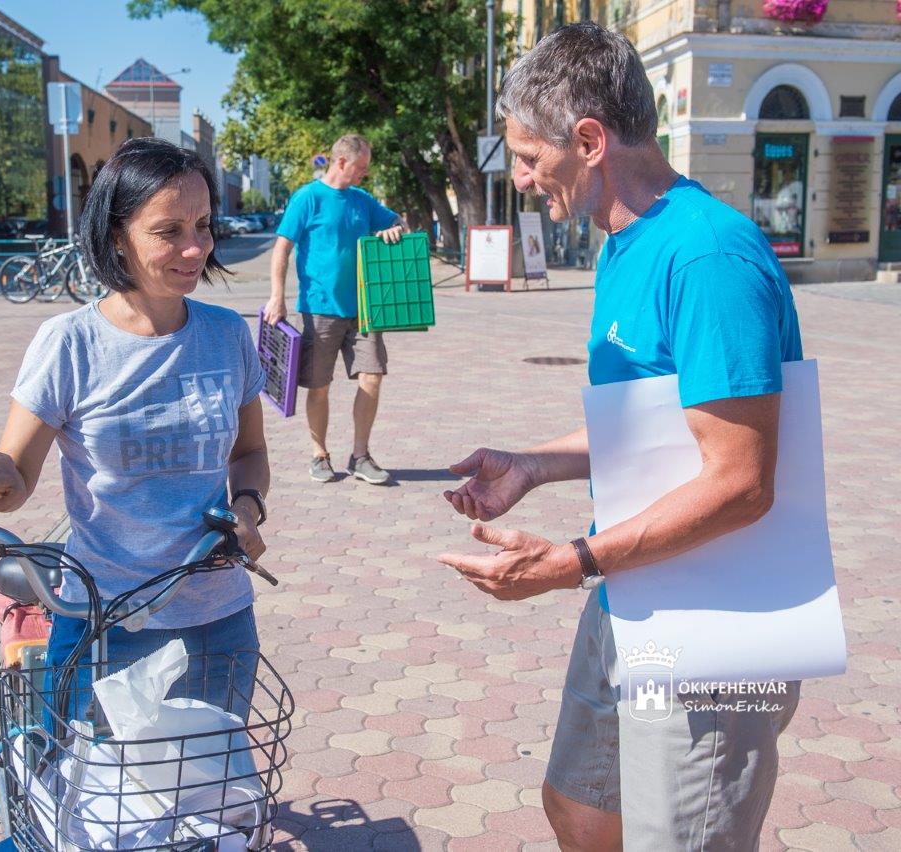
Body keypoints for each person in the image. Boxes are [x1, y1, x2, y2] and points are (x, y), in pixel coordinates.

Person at [436, 23, 802, 851]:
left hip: (714, 623)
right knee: (580, 806)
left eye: (529, 159)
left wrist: (570, 563)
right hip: (631, 584)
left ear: (590, 141)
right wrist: (532, 465)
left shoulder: (706, 257)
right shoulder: (622, 246)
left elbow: (742, 481)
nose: (523, 180)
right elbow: (649, 427)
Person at [0, 137, 270, 711]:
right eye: (170, 231)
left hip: (219, 616)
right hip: (105, 616)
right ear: (117, 234)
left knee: (213, 788)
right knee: (94, 794)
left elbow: (249, 452)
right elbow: (16, 477)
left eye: (204, 226)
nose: (195, 248)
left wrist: (245, 508)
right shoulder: (70, 343)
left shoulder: (226, 334)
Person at [263, 133, 404, 485]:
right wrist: (276, 297)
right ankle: (319, 454)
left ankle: (360, 455)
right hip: (318, 310)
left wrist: (393, 231)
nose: (364, 175)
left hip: (364, 310)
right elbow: (281, 249)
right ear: (342, 162)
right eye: (361, 168)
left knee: (373, 377)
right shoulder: (307, 198)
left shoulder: (362, 200)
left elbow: (398, 223)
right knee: (319, 386)